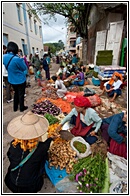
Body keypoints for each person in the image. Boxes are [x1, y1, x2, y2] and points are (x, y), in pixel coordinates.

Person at [4, 111, 58, 193]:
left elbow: (9, 155)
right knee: (43, 159)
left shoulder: (14, 144)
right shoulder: (41, 148)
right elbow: (46, 144)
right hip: (29, 186)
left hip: (11, 181)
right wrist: (52, 138)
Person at [3, 41, 28, 112]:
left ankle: (15, 108)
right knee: (21, 94)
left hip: (11, 79)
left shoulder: (3, 57)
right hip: (20, 79)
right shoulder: (17, 59)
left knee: (16, 93)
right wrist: (21, 59)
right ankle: (21, 108)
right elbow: (24, 68)